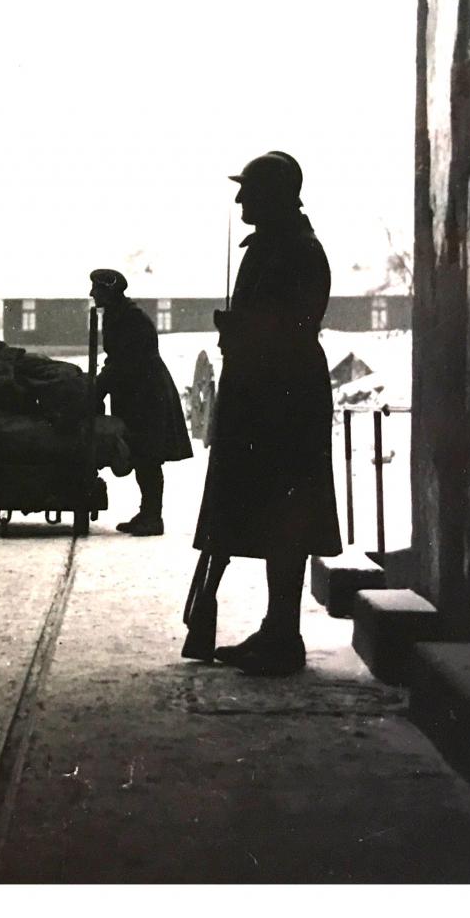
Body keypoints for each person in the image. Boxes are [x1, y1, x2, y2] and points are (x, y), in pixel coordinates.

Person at [185, 151, 342, 674]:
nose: (239, 200)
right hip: (266, 398)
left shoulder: (296, 250)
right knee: (272, 515)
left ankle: (282, 636)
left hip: (282, 402)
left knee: (286, 517)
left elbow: (293, 328)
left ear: (273, 194)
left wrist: (240, 332)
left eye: (248, 190)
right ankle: (278, 631)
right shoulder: (278, 246)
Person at [89, 268, 194, 536]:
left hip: (147, 395)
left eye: (97, 289)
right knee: (141, 453)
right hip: (136, 393)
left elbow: (125, 362)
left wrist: (97, 389)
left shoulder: (131, 318)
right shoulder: (117, 314)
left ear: (109, 291)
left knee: (149, 456)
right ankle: (146, 513)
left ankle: (153, 517)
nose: (92, 294)